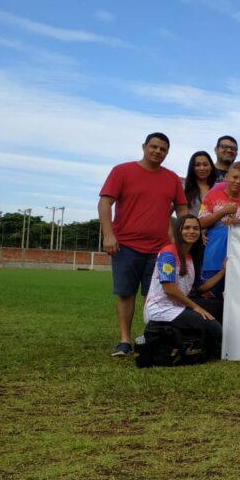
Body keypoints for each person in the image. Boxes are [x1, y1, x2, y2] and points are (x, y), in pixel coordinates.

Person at [99, 132, 189, 357]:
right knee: (125, 293)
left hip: (160, 249)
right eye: (154, 147)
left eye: (163, 149)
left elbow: (182, 209)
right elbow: (105, 203)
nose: (158, 152)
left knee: (157, 296)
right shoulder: (122, 171)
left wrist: (181, 235)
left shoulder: (171, 179)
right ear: (144, 146)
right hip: (125, 245)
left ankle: (150, 336)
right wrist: (108, 234)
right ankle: (125, 340)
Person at [143, 213, 224, 359]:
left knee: (221, 307)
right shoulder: (168, 253)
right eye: (186, 228)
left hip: (179, 305)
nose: (191, 232)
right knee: (215, 328)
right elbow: (169, 289)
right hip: (162, 309)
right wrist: (196, 308)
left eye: (195, 228)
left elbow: (200, 288)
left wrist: (223, 271)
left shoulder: (190, 256)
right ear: (178, 231)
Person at [198, 162, 240, 297]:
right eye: (235, 177)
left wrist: (238, 222)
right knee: (209, 296)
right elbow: (200, 223)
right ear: (227, 177)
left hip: (237, 259)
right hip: (213, 256)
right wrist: (222, 212)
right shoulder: (212, 197)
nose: (238, 181)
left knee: (233, 298)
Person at [183, 151, 216, 216]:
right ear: (192, 168)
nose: (202, 168)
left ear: (211, 166)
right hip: (190, 225)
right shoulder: (183, 187)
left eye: (205, 165)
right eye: (197, 165)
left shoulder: (218, 188)